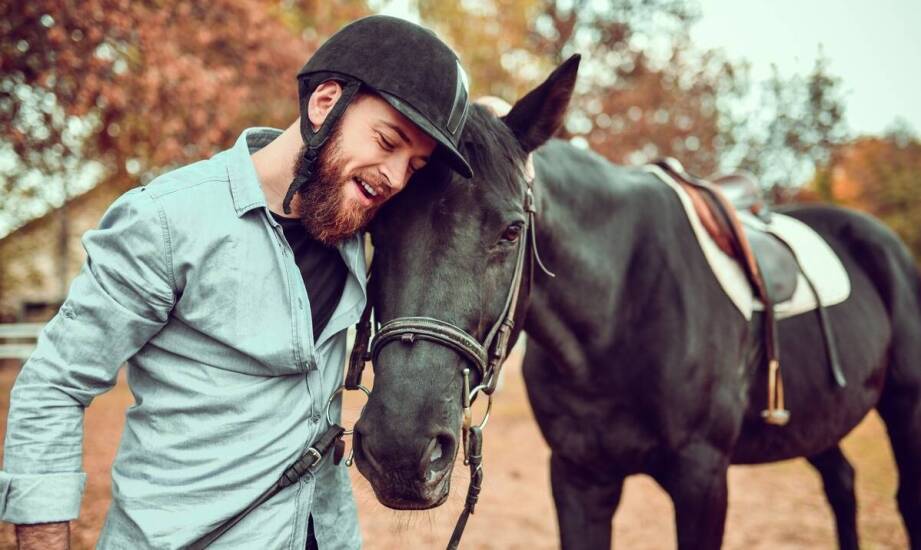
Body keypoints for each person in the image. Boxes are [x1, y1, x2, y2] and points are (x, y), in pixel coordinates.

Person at [1, 15, 473, 550]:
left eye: (413, 165)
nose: (394, 177)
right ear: (324, 104)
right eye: (387, 142)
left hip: (327, 535)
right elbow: (53, 386)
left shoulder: (353, 223)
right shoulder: (164, 221)